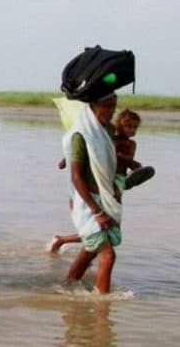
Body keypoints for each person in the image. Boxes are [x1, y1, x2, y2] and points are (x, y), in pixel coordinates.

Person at [49, 108, 154, 253]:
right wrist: (66, 159)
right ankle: (65, 241)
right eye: (128, 126)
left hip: (120, 179)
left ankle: (63, 240)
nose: (132, 130)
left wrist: (135, 166)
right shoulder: (110, 139)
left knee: (108, 224)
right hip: (107, 180)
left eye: (135, 127)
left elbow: (126, 160)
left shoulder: (132, 144)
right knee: (103, 224)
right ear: (119, 125)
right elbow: (88, 152)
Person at [60, 93, 122, 294]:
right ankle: (102, 306)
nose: (111, 111)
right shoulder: (80, 135)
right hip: (87, 203)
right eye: (107, 105)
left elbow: (110, 160)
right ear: (93, 107)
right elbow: (77, 177)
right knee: (108, 255)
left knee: (90, 251)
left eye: (114, 106)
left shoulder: (109, 131)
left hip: (105, 197)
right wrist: (97, 212)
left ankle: (68, 285)